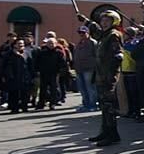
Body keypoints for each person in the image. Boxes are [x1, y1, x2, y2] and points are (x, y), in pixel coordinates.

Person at [76, 9, 125, 146]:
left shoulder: (114, 35)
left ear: (113, 22)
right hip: (100, 75)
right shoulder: (105, 35)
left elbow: (118, 57)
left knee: (109, 107)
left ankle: (113, 135)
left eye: (107, 21)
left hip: (108, 77)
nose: (103, 23)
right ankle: (105, 131)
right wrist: (85, 20)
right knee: (103, 106)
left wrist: (111, 76)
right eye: (102, 21)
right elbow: (96, 30)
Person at [0, 38, 32, 113]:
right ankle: (14, 108)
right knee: (14, 93)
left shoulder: (27, 53)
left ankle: (24, 107)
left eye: (22, 44)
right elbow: (3, 66)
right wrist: (4, 76)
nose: (21, 45)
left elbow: (30, 65)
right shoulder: (8, 54)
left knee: (25, 93)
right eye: (19, 43)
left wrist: (32, 75)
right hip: (13, 77)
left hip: (25, 77)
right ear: (14, 45)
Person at [34, 37, 66, 110]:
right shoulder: (42, 52)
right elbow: (37, 62)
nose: (51, 45)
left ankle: (52, 103)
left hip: (54, 73)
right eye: (49, 43)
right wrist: (37, 70)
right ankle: (41, 103)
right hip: (44, 73)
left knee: (53, 89)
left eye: (52, 43)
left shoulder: (59, 52)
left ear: (55, 44)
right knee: (43, 89)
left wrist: (60, 72)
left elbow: (63, 63)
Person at [73, 26, 98, 112]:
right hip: (79, 69)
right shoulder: (80, 43)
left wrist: (95, 67)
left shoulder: (93, 43)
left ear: (88, 33)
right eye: (80, 33)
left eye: (83, 33)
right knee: (82, 88)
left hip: (89, 68)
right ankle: (86, 104)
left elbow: (97, 55)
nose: (81, 34)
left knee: (90, 87)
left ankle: (93, 105)